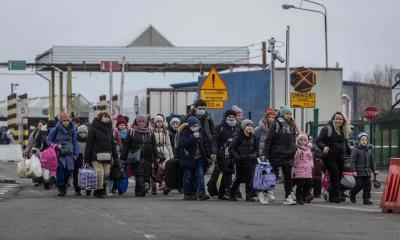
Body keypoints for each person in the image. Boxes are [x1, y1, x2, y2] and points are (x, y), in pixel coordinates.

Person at [263, 106, 297, 205]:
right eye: (287, 114)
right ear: (282, 114)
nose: (289, 116)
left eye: (290, 114)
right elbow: (268, 140)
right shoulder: (276, 124)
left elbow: (293, 140)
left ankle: (288, 197)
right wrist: (265, 154)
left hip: (288, 155)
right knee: (271, 176)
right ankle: (264, 193)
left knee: (288, 177)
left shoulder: (292, 125)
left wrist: (293, 150)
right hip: (276, 155)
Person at [316, 112, 352, 203]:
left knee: (338, 176)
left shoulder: (343, 130)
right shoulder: (327, 129)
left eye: (340, 119)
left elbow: (346, 145)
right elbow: (318, 141)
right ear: (333, 119)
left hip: (340, 157)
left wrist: (351, 154)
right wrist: (324, 147)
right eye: (336, 119)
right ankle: (336, 195)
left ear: (343, 120)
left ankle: (333, 195)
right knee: (335, 174)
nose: (338, 121)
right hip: (329, 157)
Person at [84, 112, 118, 198]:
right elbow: (89, 144)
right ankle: (99, 190)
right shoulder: (93, 129)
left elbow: (112, 144)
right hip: (95, 155)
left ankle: (101, 188)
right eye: (104, 117)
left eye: (108, 117)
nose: (107, 118)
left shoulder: (110, 129)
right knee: (100, 173)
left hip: (107, 155)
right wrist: (86, 158)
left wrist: (115, 156)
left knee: (106, 173)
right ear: (100, 118)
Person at [47, 112, 79, 197]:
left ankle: (63, 185)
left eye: (67, 120)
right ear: (61, 121)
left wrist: (76, 154)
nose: (66, 122)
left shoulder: (73, 129)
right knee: (60, 171)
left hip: (69, 153)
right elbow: (49, 141)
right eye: (64, 120)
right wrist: (56, 146)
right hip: (58, 154)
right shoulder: (55, 129)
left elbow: (75, 142)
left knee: (68, 172)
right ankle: (61, 188)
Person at [211, 109, 240, 200]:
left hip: (235, 154)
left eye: (233, 117)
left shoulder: (239, 127)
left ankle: (222, 193)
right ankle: (228, 192)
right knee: (227, 172)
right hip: (223, 154)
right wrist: (214, 152)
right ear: (226, 117)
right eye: (229, 117)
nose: (231, 119)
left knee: (230, 173)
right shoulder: (220, 127)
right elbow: (215, 140)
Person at [179, 116, 211, 200]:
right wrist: (193, 137)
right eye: (193, 126)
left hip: (199, 158)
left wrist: (209, 154)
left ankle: (201, 192)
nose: (195, 127)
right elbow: (184, 144)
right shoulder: (184, 132)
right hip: (187, 158)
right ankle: (188, 193)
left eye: (197, 125)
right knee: (188, 176)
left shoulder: (201, 131)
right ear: (189, 126)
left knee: (200, 175)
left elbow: (206, 144)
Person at [125, 115, 157, 197]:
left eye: (143, 121)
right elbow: (126, 145)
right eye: (139, 121)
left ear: (146, 122)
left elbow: (154, 145)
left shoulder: (150, 132)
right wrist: (123, 157)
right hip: (136, 157)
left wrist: (156, 157)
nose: (141, 123)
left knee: (146, 174)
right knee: (139, 174)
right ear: (136, 122)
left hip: (148, 157)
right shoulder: (132, 131)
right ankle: (143, 188)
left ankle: (139, 191)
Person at [228, 119, 258, 202]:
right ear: (243, 127)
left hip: (250, 161)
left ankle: (249, 195)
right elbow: (231, 149)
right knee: (238, 178)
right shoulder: (238, 137)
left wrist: (253, 156)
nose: (250, 128)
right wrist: (238, 157)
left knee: (249, 178)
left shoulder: (254, 137)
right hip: (239, 162)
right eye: (248, 126)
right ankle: (232, 192)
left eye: (251, 126)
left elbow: (256, 149)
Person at [350, 133, 378, 205]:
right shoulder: (356, 150)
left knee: (368, 186)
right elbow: (353, 161)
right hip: (358, 172)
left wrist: (374, 170)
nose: (364, 141)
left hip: (367, 172)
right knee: (359, 185)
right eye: (362, 140)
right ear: (359, 141)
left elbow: (372, 161)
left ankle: (366, 199)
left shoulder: (369, 151)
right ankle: (352, 193)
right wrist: (354, 170)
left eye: (366, 140)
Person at [152, 115, 174, 194]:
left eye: (161, 121)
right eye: (158, 121)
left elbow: (168, 144)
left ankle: (165, 186)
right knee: (155, 169)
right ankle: (154, 186)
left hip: (164, 151)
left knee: (165, 169)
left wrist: (171, 155)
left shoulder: (166, 131)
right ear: (155, 122)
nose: (159, 123)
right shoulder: (151, 131)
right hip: (155, 151)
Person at [292, 133, 314, 204]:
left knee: (308, 184)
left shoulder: (308, 150)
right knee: (300, 184)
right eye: (301, 140)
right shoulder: (297, 149)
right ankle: (299, 197)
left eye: (304, 140)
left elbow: (310, 158)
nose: (303, 141)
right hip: (299, 169)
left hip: (307, 169)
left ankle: (304, 196)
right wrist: (294, 165)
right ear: (298, 141)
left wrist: (311, 165)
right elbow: (295, 158)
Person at [73, 125, 88, 196]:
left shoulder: (89, 141)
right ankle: (77, 189)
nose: (82, 134)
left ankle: (88, 188)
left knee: (87, 173)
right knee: (76, 174)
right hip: (77, 159)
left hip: (86, 159)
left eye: (84, 133)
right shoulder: (75, 140)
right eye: (80, 133)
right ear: (77, 133)